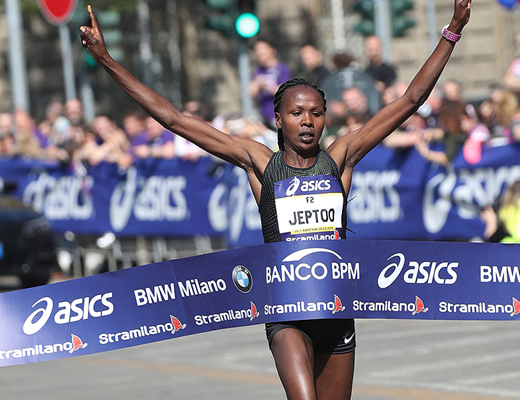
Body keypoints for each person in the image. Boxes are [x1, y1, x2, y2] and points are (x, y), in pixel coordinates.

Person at [80, 0, 471, 397]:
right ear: (279, 119)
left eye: (316, 112)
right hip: (287, 314)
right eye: (297, 112)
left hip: (337, 311)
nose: (307, 120)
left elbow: (409, 101)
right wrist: (107, 61)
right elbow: (174, 119)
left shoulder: (340, 158)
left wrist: (452, 29)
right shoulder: (259, 163)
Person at [248, 39, 291, 129]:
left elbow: (284, 91)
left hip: (278, 116)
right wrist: (257, 84)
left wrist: (266, 86)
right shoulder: (258, 70)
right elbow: (251, 91)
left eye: (262, 50)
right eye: (257, 51)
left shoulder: (282, 68)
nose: (259, 53)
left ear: (272, 51)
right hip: (263, 114)